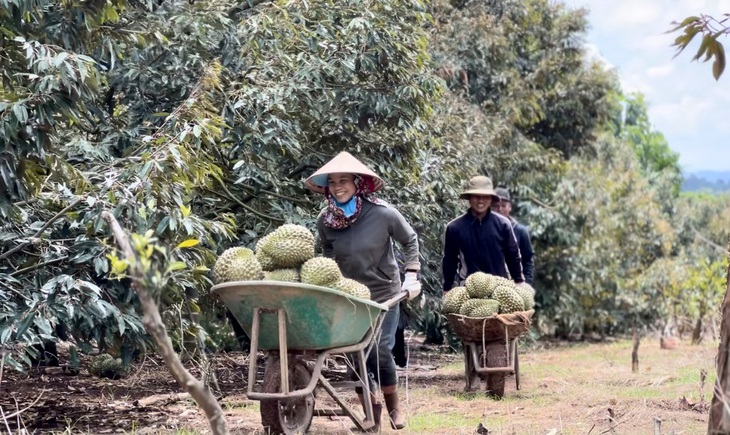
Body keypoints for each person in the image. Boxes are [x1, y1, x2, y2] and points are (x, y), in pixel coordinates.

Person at [305, 151, 422, 431]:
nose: (338, 187)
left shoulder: (383, 213)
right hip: (348, 296)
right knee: (353, 354)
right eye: (332, 182)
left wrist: (412, 275)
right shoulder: (326, 220)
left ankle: (394, 408)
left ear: (357, 183)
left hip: (384, 293)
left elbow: (410, 240)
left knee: (379, 350)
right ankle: (372, 417)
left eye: (343, 180)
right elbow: (328, 252)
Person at [442, 175, 525, 293]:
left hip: (500, 287)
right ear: (469, 198)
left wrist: (519, 281)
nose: (481, 201)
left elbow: (513, 256)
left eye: (485, 196)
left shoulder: (503, 224)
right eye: (476, 196)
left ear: (491, 199)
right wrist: (447, 288)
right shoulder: (455, 227)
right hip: (469, 288)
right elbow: (450, 260)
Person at [493, 187, 535, 285]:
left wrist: (527, 283)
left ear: (510, 207)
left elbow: (527, 260)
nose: (499, 209)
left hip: (513, 285)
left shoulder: (520, 231)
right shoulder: (482, 228)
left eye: (503, 206)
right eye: (496, 206)